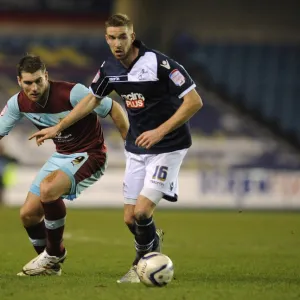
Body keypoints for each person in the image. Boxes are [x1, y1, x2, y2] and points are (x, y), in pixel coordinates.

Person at [30, 13, 203, 283]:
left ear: (132, 36)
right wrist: (58, 127)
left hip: (168, 146)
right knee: (129, 219)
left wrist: (159, 131)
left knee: (143, 211)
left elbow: (194, 101)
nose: (117, 43)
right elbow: (90, 100)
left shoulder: (159, 63)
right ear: (106, 39)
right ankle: (152, 243)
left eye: (122, 36)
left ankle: (140, 266)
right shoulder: (109, 66)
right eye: (112, 37)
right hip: (136, 149)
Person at [0, 54, 129, 276]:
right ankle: (50, 267)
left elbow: (114, 108)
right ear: (19, 82)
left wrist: (131, 145)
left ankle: (54, 253)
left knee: (48, 190)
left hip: (90, 154)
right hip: (61, 156)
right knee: (28, 214)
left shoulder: (73, 93)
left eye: (39, 81)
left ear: (46, 77)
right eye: (28, 83)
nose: (34, 87)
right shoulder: (17, 103)